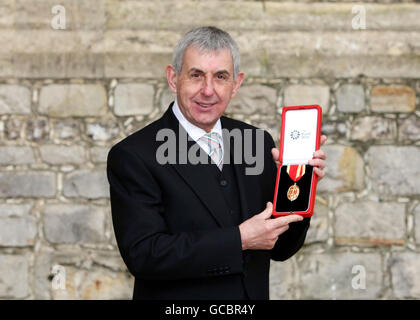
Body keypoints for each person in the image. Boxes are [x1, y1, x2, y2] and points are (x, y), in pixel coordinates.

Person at [107, 26, 326, 300]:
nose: (208, 90)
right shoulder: (133, 155)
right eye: (196, 75)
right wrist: (240, 240)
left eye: (220, 77)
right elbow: (144, 255)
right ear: (173, 79)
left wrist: (298, 187)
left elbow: (281, 249)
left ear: (236, 84)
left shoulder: (257, 142)